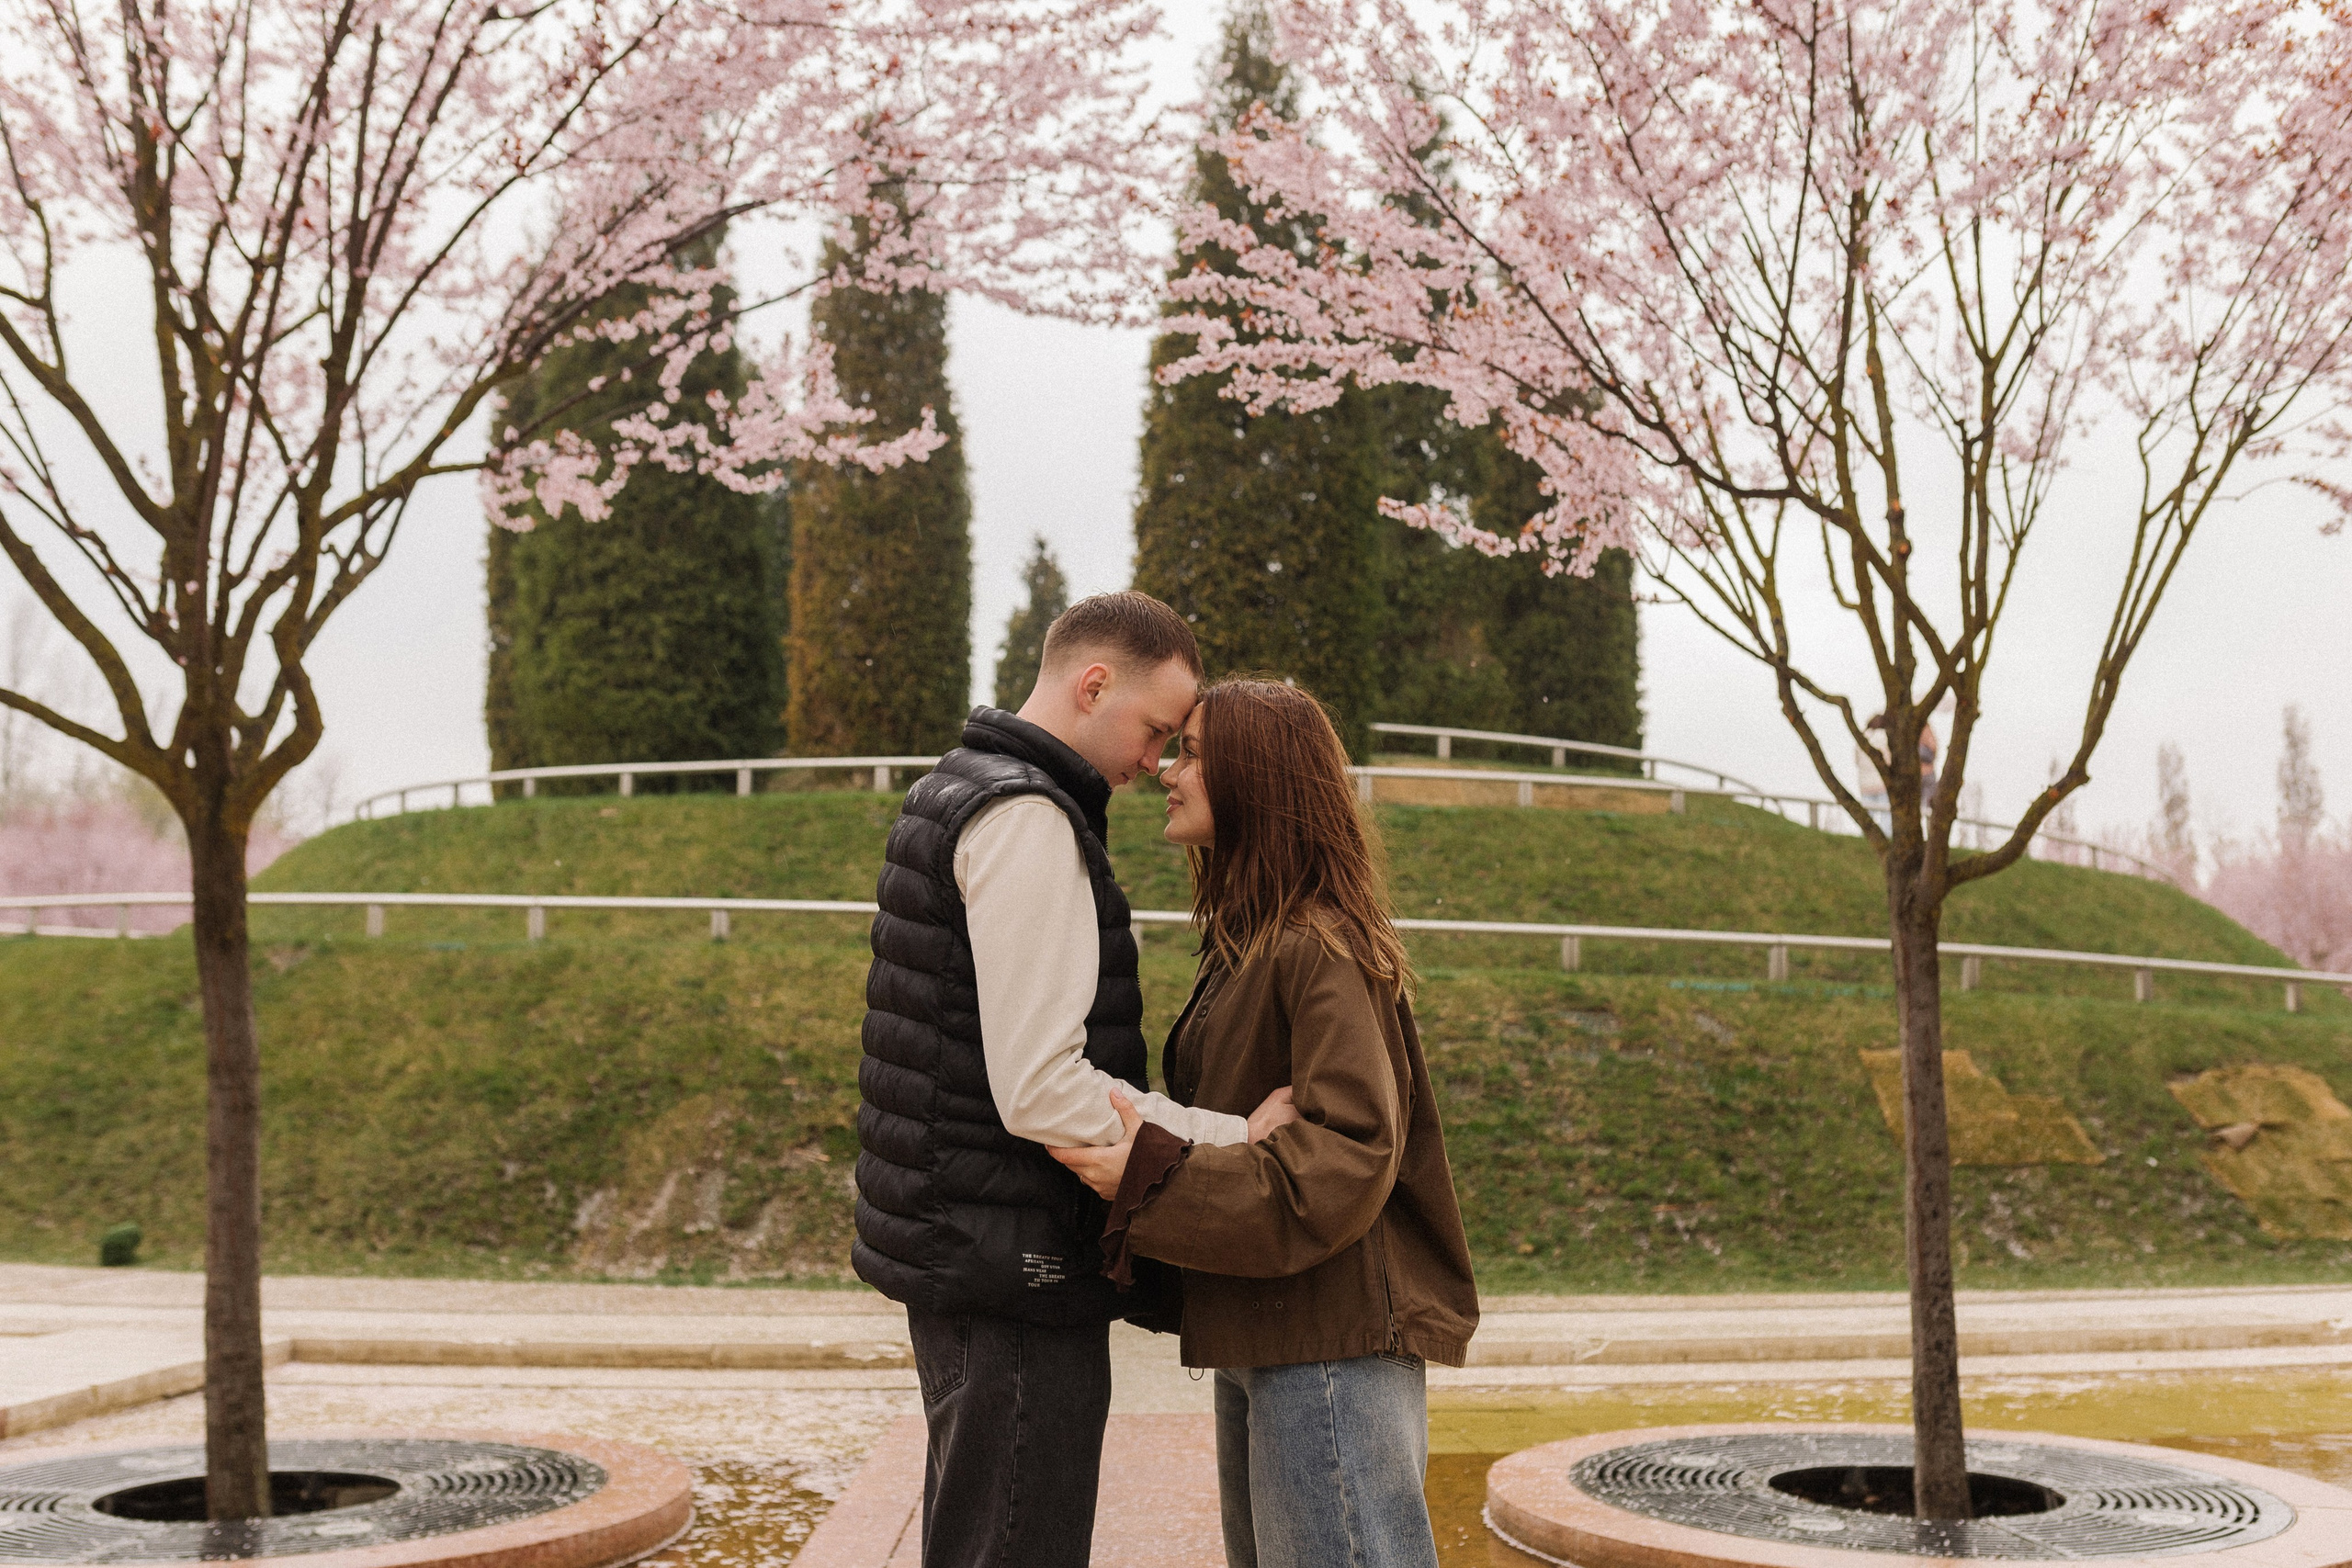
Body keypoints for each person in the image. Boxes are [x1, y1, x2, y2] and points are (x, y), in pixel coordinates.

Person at [853, 592, 1297, 1568]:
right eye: (1155, 729)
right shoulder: (1024, 816)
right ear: (1092, 684)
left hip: (968, 1245)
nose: (1157, 762)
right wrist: (1233, 1139)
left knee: (978, 1536)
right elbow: (1043, 1090)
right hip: (1012, 1259)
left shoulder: (959, 786)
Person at [1052, 679, 1480, 1568]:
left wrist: (1154, 1171)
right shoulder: (1252, 943)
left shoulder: (1314, 946)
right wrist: (1218, 1141)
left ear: (1260, 779)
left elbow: (1343, 1158)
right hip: (1272, 1329)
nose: (1170, 769)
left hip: (1328, 1343)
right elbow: (1268, 1134)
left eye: (1197, 752)